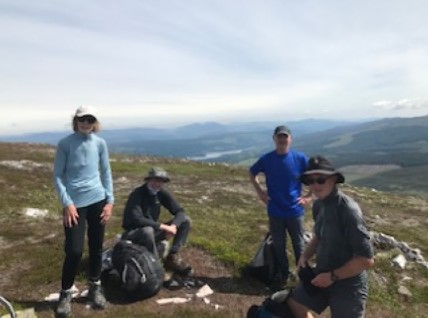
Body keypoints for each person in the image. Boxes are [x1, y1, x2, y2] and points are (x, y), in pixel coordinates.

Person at [287, 155, 374, 318]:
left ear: (333, 179)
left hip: (348, 283)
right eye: (310, 181)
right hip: (322, 274)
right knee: (294, 303)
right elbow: (318, 236)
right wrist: (305, 256)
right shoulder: (319, 204)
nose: (315, 185)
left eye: (321, 179)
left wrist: (332, 276)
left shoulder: (348, 211)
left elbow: (366, 259)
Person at [53, 106, 114, 317]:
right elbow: (58, 176)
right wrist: (67, 203)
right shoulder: (65, 144)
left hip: (98, 200)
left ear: (95, 122)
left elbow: (106, 172)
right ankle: (65, 293)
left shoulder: (100, 143)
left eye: (90, 119)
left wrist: (110, 201)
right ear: (76, 121)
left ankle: (95, 286)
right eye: (82, 119)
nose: (86, 123)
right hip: (75, 205)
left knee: (97, 247)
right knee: (74, 251)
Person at [249, 125, 312, 288]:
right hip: (275, 211)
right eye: (279, 137)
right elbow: (252, 172)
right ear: (274, 139)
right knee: (279, 245)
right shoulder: (267, 159)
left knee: (299, 245)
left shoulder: (300, 158)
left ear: (290, 139)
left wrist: (308, 196)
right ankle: (284, 274)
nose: (282, 140)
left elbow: (314, 175)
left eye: (285, 137)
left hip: (295, 211)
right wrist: (261, 193)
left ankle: (302, 276)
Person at [121, 166, 192, 275]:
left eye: (161, 181)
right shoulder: (137, 194)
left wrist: (173, 226)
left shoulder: (160, 193)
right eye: (155, 180)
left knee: (185, 221)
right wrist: (163, 227)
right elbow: (137, 219)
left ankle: (172, 256)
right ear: (149, 180)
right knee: (147, 230)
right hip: (133, 234)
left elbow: (180, 211)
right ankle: (155, 267)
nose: (157, 184)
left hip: (151, 232)